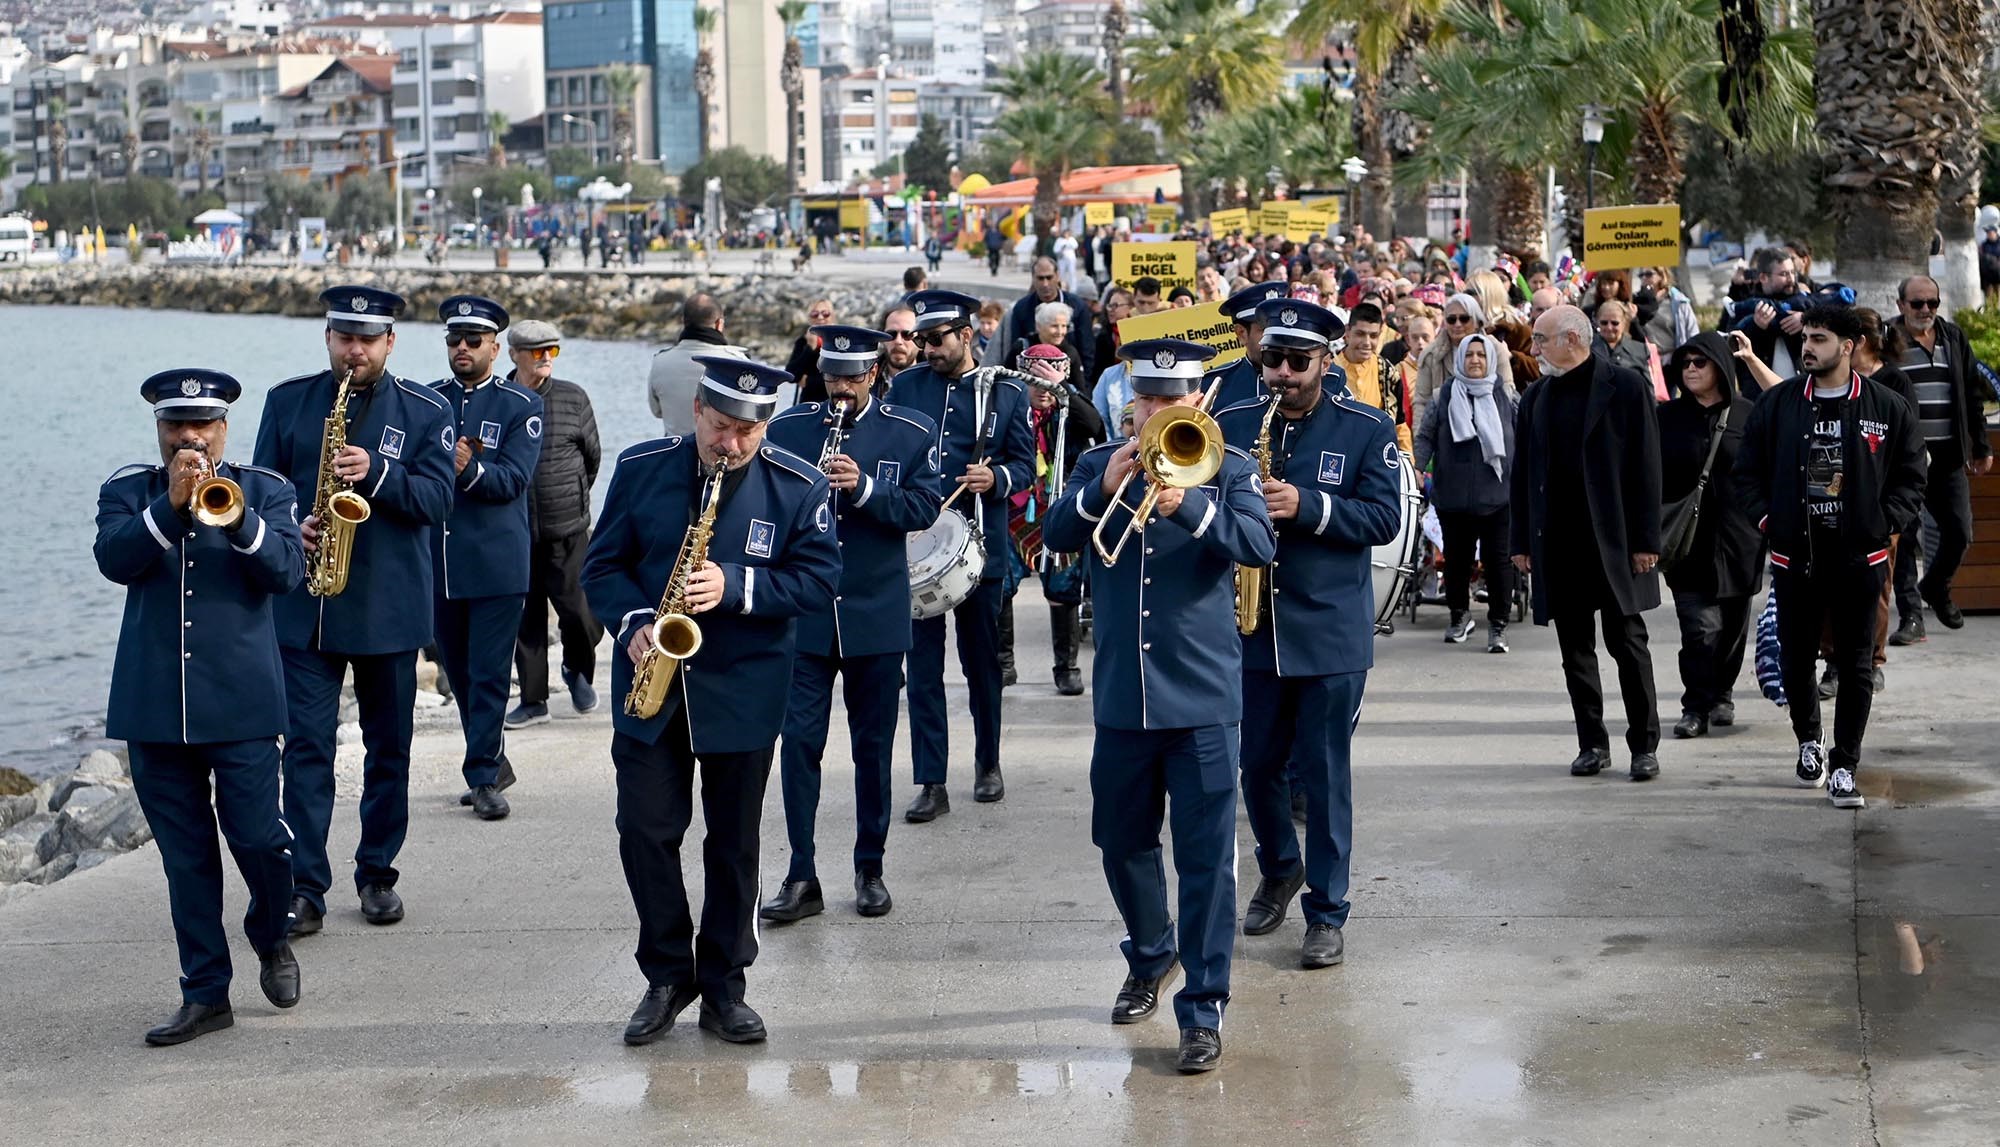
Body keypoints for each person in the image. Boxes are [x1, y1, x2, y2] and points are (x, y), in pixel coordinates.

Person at [581, 355, 841, 1046]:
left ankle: (726, 985)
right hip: (650, 689)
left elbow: (818, 581)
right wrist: (635, 622)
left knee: (734, 847)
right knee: (643, 831)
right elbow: (600, 566)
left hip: (745, 689)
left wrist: (737, 587)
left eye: (748, 432)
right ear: (696, 407)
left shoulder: (799, 484)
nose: (732, 445)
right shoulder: (641, 469)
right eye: (721, 426)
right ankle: (668, 973)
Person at [1042, 337, 1277, 1075]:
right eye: (1144, 400)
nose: (1153, 412)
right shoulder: (1095, 464)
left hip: (1204, 699)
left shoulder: (1230, 466)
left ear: (1195, 402)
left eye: (1168, 401)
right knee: (1119, 838)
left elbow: (1259, 544)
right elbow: (1053, 537)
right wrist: (1096, 492)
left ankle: (1203, 1008)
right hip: (1122, 697)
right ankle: (1151, 951)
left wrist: (1189, 507)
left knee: (1207, 862)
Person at [98, 369, 305, 1046]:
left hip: (242, 704)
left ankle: (271, 934)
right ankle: (205, 992)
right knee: (185, 860)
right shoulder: (128, 492)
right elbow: (115, 558)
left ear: (224, 428)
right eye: (175, 426)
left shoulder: (268, 489)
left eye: (203, 425)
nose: (189, 437)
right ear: (159, 430)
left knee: (261, 840)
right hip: (154, 709)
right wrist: (170, 508)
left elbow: (284, 571)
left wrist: (235, 513)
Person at [253, 286, 454, 933]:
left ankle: (376, 873)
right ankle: (306, 885)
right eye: (345, 337)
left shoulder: (425, 409)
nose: (355, 350)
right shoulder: (287, 402)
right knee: (305, 749)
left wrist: (380, 473)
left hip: (388, 611)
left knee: (387, 749)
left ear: (390, 342)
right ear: (328, 338)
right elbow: (263, 492)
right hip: (306, 612)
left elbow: (439, 499)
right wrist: (292, 525)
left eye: (368, 340)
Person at [1218, 299, 1401, 971]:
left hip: (1327, 630)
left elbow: (1383, 517)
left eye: (1299, 362)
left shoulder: (1365, 425)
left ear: (1327, 360)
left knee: (1322, 777)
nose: (1284, 374)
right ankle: (1279, 868)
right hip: (1252, 627)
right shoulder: (1232, 420)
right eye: (1273, 360)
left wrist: (1310, 504)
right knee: (1257, 765)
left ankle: (1327, 911)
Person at [761, 327, 943, 924]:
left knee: (873, 747)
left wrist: (865, 489)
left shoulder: (911, 431)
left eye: (851, 377)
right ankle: (801, 872)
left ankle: (871, 866)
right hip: (806, 615)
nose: (840, 388)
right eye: (831, 376)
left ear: (873, 375)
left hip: (874, 612)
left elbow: (923, 508)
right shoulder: (788, 430)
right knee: (799, 746)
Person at [1733, 306, 1926, 809]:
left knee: (1856, 663)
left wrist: (1885, 523)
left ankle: (1845, 764)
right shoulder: (1778, 404)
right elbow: (1746, 473)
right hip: (1796, 558)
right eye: (1807, 338)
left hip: (1860, 559)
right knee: (1796, 662)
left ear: (1849, 345)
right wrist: (1768, 522)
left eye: (1819, 339)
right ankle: (1808, 742)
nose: (1808, 347)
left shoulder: (1885, 406)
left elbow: (1911, 475)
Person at [888, 290, 1036, 818]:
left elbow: (1029, 466)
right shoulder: (903, 389)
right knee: (923, 669)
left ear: (967, 335)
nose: (924, 349)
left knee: (982, 665)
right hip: (916, 547)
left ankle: (988, 762)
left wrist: (997, 478)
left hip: (980, 549)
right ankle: (931, 781)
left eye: (935, 340)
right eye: (920, 340)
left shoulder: (1005, 392)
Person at [1511, 305, 1664, 782]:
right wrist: (1521, 541)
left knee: (1628, 643)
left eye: (1541, 339)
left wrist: (1645, 540)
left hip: (1615, 542)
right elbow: (1522, 476)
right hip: (1559, 544)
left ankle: (1643, 746)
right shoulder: (1536, 397)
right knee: (1575, 650)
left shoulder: (1626, 387)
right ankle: (1592, 744)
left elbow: (1646, 468)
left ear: (1573, 339)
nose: (1534, 348)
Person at [426, 296, 544, 822]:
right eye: (455, 340)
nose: (463, 349)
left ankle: (481, 778)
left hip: (496, 564)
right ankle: (491, 760)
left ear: (496, 347)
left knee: (490, 674)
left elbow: (513, 481)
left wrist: (467, 469)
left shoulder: (522, 407)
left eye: (474, 341)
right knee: (460, 676)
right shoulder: (427, 402)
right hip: (441, 563)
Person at [1656, 334, 1762, 738]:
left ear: (1721, 366)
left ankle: (1722, 694)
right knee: (1699, 630)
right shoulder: (1666, 418)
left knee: (1733, 627)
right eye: (1685, 362)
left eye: (1701, 361)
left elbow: (1764, 473)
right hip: (1686, 543)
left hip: (1740, 541)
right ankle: (1695, 706)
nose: (1692, 369)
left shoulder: (1748, 415)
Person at [505, 320, 603, 730]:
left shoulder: (572, 398)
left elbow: (593, 458)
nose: (546, 358)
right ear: (514, 355)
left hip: (567, 528)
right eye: (538, 351)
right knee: (524, 621)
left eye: (553, 351)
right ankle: (533, 699)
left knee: (580, 613)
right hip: (513, 532)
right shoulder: (500, 399)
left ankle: (578, 671)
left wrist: (573, 499)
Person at [1889, 275, 1992, 640]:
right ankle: (1911, 619)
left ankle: (1934, 586)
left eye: (1932, 303)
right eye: (1917, 304)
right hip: (1902, 459)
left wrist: (1980, 445)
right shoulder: (1887, 340)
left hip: (1948, 455)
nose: (1926, 311)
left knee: (1959, 532)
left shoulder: (1952, 337)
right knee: (1903, 538)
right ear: (1900, 304)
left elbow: (1972, 393)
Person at [1414, 331, 1517, 651]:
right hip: (1453, 496)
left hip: (1498, 496)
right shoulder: (1444, 396)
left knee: (1499, 562)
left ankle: (1498, 624)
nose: (1474, 360)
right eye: (1469, 355)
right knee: (1457, 562)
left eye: (1481, 355)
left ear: (1490, 361)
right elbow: (1426, 435)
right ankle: (1459, 616)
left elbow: (1526, 438)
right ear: (1460, 359)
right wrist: (1418, 467)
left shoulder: (1506, 397)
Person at [1013, 343, 1105, 695]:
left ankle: (1065, 667)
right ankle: (1004, 663)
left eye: (1049, 383)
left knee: (1063, 586)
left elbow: (1095, 424)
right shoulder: (1012, 406)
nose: (1042, 391)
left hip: (1060, 502)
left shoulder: (1070, 405)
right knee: (1003, 582)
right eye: (1035, 382)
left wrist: (1062, 389)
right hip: (1019, 504)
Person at [1411, 292, 1515, 433]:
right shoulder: (1431, 354)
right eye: (1451, 319)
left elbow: (1507, 390)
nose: (1457, 324)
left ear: (1477, 322)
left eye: (1464, 319)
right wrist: (1420, 439)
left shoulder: (1495, 349)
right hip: (1445, 433)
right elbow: (1422, 401)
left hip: (1490, 429)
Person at [648, 295, 747, 436]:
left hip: (675, 452)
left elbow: (656, 411)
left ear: (683, 322)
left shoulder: (660, 361)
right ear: (719, 324)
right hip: (721, 452)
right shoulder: (738, 362)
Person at [985, 257, 1096, 381]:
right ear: (1033, 278)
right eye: (1040, 278)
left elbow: (1087, 351)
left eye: (1049, 277)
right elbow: (1017, 351)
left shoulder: (1077, 306)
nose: (1045, 284)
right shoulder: (1022, 308)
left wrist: (1084, 385)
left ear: (1057, 276)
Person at [1721, 247, 1813, 389]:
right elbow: (1730, 343)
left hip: (1801, 391)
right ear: (1763, 277)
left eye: (1792, 272)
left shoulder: (1804, 303)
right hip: (1761, 395)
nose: (1790, 279)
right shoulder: (1745, 306)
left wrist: (1806, 319)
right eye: (1783, 274)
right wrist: (1756, 327)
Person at [1333, 302, 1412, 454]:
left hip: (1375, 456)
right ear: (1347, 332)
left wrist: (1410, 465)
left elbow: (1399, 426)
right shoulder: (1328, 370)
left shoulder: (1388, 373)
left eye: (1373, 336)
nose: (1367, 343)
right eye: (1360, 334)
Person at [1207, 283, 1293, 411]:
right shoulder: (1213, 385)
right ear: (1241, 334)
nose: (1278, 337)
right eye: (1266, 329)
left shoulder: (1325, 378)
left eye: (1281, 327)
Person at [784, 298, 836, 405]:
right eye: (814, 314)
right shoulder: (803, 341)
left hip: (832, 401)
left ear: (832, 317)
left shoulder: (838, 342)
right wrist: (810, 348)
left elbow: (839, 376)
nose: (820, 317)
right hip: (808, 402)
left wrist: (808, 381)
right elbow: (790, 374)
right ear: (809, 318)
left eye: (825, 313)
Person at [1593, 299, 1655, 379]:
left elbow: (1648, 388)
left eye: (1614, 323)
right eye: (1604, 323)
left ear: (1624, 323)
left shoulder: (1640, 350)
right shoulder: (1587, 350)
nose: (1609, 327)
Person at [878, 304, 920, 383]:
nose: (898, 341)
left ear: (920, 340)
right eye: (891, 334)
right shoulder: (865, 381)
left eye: (907, 335)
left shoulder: (937, 382)